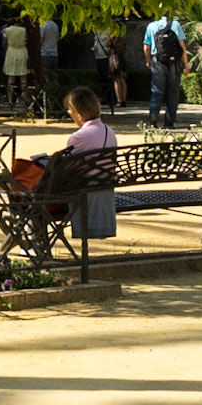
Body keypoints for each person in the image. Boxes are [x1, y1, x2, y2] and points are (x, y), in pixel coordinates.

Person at [63, 84, 118, 239]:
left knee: (32, 201)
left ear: (78, 113)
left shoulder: (78, 137)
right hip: (105, 186)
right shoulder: (109, 131)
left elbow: (68, 168)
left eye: (70, 110)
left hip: (84, 190)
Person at [144, 12, 188, 128]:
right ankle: (169, 123)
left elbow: (146, 47)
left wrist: (148, 61)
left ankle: (153, 117)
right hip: (174, 63)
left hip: (157, 61)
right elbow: (182, 46)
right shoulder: (175, 24)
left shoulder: (151, 26)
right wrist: (186, 66)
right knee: (173, 93)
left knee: (157, 91)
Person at [3, 16, 30, 104]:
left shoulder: (7, 30)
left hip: (11, 52)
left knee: (11, 78)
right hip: (22, 51)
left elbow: (4, 43)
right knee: (23, 77)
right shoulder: (24, 30)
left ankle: (10, 99)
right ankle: (24, 98)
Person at [39, 15, 60, 84]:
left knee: (45, 75)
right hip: (54, 53)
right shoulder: (55, 25)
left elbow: (41, 39)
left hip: (45, 53)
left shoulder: (43, 25)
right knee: (54, 75)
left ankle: (46, 92)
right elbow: (57, 39)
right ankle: (55, 91)